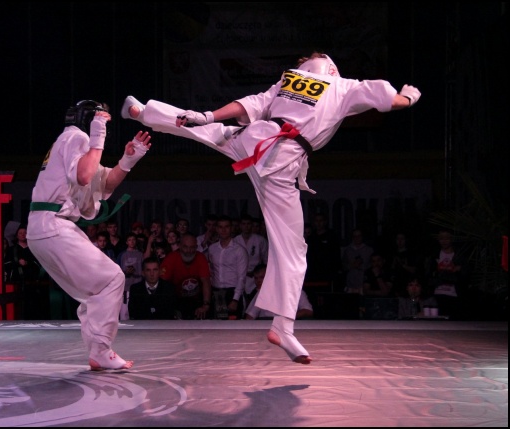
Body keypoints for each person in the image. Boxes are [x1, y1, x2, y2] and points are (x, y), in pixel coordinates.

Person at [122, 51, 420, 364]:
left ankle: (144, 112)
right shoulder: (344, 86)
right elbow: (391, 101)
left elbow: (248, 105)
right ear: (332, 68)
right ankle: (283, 327)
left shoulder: (289, 80)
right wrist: (409, 97)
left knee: (210, 130)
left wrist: (208, 114)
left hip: (254, 140)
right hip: (280, 162)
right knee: (293, 250)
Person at [26, 99, 151, 370]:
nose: (106, 123)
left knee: (95, 291)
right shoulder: (76, 137)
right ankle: (101, 350)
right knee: (113, 278)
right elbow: (84, 176)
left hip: (44, 228)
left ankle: (98, 351)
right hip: (53, 225)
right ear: (91, 119)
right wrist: (98, 134)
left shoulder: (70, 142)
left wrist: (129, 159)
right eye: (102, 118)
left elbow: (103, 182)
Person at [159, 233, 211, 320]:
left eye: (192, 247)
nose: (188, 251)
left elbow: (206, 281)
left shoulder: (200, 257)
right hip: (176, 299)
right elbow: (162, 284)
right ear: (179, 246)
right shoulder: (171, 258)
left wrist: (206, 305)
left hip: (197, 300)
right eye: (185, 247)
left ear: (196, 247)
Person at [207, 215, 248, 319]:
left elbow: (242, 277)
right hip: (216, 291)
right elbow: (211, 271)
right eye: (220, 227)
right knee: (215, 325)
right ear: (217, 229)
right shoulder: (212, 248)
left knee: (233, 326)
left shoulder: (239, 250)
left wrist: (235, 299)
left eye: (226, 226)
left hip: (233, 292)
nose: (223, 230)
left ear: (231, 228)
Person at [245, 263, 313, 320]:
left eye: (262, 277)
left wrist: (286, 317)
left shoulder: (295, 290)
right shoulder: (262, 292)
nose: (258, 281)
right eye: (256, 278)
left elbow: (308, 311)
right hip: (266, 324)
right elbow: (250, 315)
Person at [233, 213, 269, 310]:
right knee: (242, 301)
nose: (246, 226)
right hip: (240, 276)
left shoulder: (260, 240)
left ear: (252, 225)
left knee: (256, 302)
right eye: (244, 224)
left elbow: (266, 260)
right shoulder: (235, 241)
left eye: (248, 224)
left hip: (256, 276)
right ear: (240, 226)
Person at [118, 232, 144, 320]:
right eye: (129, 240)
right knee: (124, 311)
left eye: (133, 240)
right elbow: (118, 270)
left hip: (138, 285)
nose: (132, 242)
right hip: (126, 287)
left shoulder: (140, 254)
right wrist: (126, 272)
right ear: (126, 242)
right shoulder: (123, 255)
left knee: (138, 309)